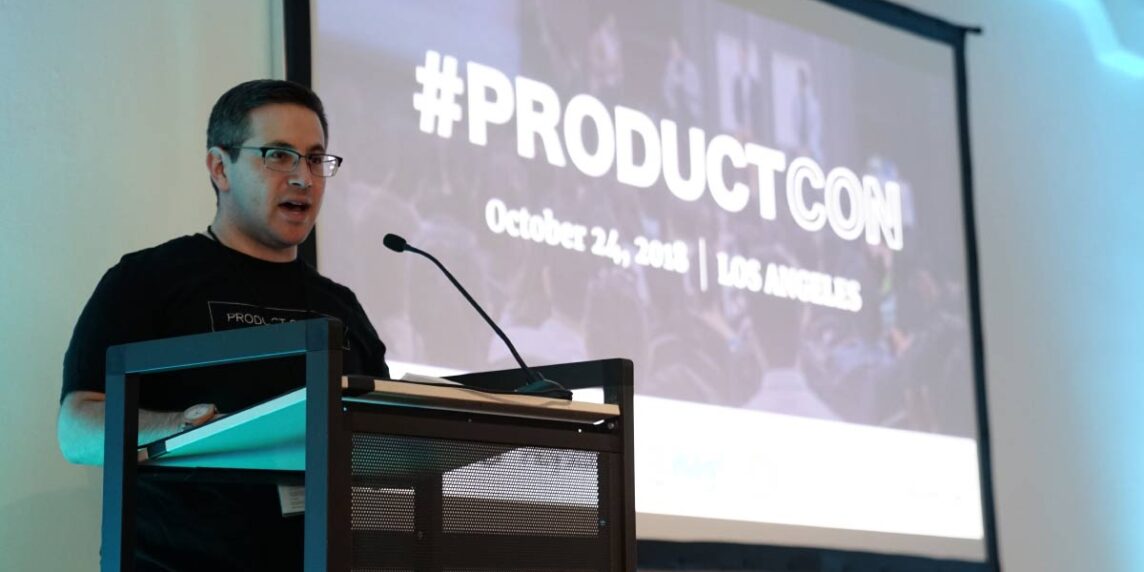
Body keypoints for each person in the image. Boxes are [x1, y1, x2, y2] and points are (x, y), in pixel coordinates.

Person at [56, 79, 390, 570]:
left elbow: (384, 438)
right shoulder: (148, 280)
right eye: (279, 155)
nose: (303, 178)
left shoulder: (341, 306)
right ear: (220, 167)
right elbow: (77, 428)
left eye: (315, 158)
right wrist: (182, 428)